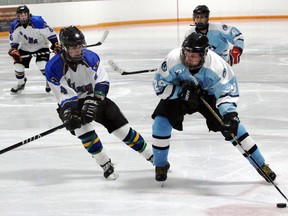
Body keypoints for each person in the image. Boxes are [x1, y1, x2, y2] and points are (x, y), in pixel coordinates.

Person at [151, 32, 276, 183]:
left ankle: (261, 165)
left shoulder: (217, 66)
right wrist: (180, 92)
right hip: (180, 93)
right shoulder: (173, 58)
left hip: (208, 95)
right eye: (186, 53)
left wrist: (230, 115)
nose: (188, 58)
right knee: (161, 123)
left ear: (204, 54)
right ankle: (160, 165)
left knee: (234, 129)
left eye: (194, 55)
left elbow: (226, 93)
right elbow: (160, 86)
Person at [45, 25, 153, 180]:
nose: (78, 50)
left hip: (95, 97)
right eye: (73, 47)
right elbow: (63, 96)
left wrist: (95, 100)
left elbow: (102, 81)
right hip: (72, 103)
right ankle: (105, 164)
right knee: (83, 131)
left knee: (123, 131)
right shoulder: (53, 67)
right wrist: (70, 114)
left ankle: (151, 157)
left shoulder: (91, 57)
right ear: (64, 48)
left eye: (80, 46)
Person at [8, 5, 61, 94]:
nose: (23, 16)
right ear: (17, 16)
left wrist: (55, 44)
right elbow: (14, 40)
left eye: (25, 14)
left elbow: (50, 33)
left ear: (29, 14)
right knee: (18, 66)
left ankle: (48, 81)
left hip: (41, 46)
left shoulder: (38, 21)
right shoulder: (14, 25)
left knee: (42, 65)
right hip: (25, 47)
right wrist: (14, 50)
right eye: (21, 15)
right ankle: (21, 83)